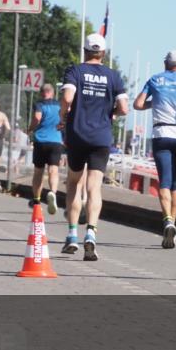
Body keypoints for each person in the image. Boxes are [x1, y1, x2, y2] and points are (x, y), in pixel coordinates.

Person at [60, 33, 129, 261]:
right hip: (101, 137)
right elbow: (124, 108)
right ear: (103, 53)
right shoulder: (114, 76)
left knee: (73, 183)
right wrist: (112, 113)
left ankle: (72, 235)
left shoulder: (75, 71)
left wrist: (63, 116)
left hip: (78, 135)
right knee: (94, 187)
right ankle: (91, 232)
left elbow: (67, 98)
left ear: (85, 51)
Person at [133, 50, 176, 249]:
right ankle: (174, 223)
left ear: (165, 63)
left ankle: (167, 221)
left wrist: (154, 102)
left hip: (162, 133)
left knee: (164, 180)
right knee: (175, 181)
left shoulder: (155, 79)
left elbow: (137, 104)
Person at [30, 83, 63, 214]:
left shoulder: (39, 104)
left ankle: (36, 201)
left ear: (41, 93)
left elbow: (37, 118)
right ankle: (53, 192)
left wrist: (30, 128)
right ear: (53, 93)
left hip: (40, 141)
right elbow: (65, 119)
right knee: (53, 170)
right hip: (56, 141)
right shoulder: (60, 105)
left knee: (38, 172)